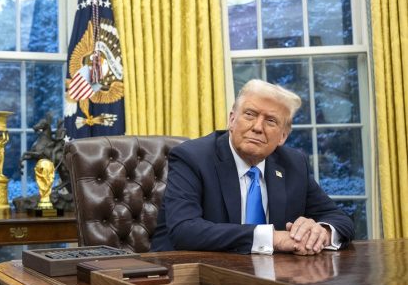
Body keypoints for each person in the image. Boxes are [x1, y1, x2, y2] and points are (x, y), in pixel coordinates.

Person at [151, 79, 354, 255]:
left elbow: (340, 219)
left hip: (271, 279)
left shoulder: (293, 164)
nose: (257, 127)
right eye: (250, 114)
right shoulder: (193, 157)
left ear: (283, 136)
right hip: (187, 277)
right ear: (232, 120)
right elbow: (185, 230)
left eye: (271, 121)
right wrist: (272, 238)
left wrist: (321, 233)